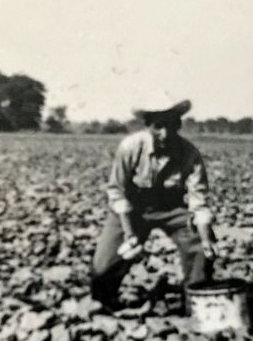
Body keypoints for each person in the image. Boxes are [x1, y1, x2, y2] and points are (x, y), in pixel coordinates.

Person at [90, 99, 216, 310]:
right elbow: (116, 191)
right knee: (104, 266)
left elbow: (198, 202)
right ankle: (103, 303)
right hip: (132, 209)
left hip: (171, 208)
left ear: (179, 125)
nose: (165, 134)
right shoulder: (130, 147)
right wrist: (130, 234)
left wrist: (205, 238)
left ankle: (196, 303)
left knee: (197, 242)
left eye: (171, 125)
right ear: (148, 126)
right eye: (158, 126)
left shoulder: (190, 154)